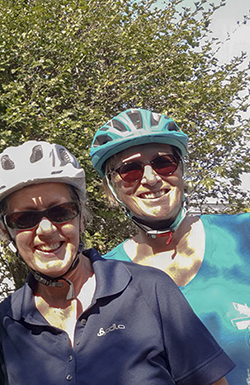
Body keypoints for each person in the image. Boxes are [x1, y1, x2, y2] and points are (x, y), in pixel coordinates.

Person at [0, 140, 233, 384]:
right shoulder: (7, 319)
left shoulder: (149, 289)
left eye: (61, 212)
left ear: (81, 218)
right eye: (25, 219)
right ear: (4, 230)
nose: (46, 230)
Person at [90, 108, 250, 384]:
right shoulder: (104, 278)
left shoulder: (242, 234)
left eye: (164, 163)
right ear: (112, 188)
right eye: (130, 170)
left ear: (181, 170)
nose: (151, 178)